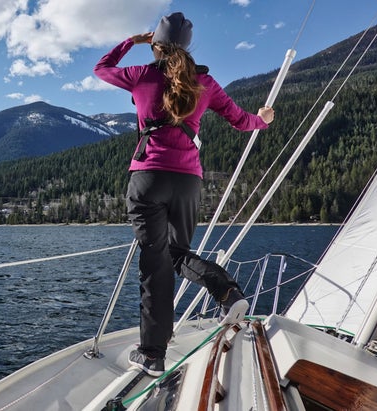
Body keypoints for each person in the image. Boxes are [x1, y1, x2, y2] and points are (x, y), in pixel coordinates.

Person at [93, 12, 275, 377]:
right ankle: (225, 291)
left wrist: (131, 41)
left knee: (155, 265)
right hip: (188, 182)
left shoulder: (141, 75)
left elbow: (101, 68)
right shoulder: (204, 81)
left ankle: (152, 354)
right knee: (176, 255)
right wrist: (264, 119)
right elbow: (241, 120)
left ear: (156, 44)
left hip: (148, 179)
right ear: (188, 48)